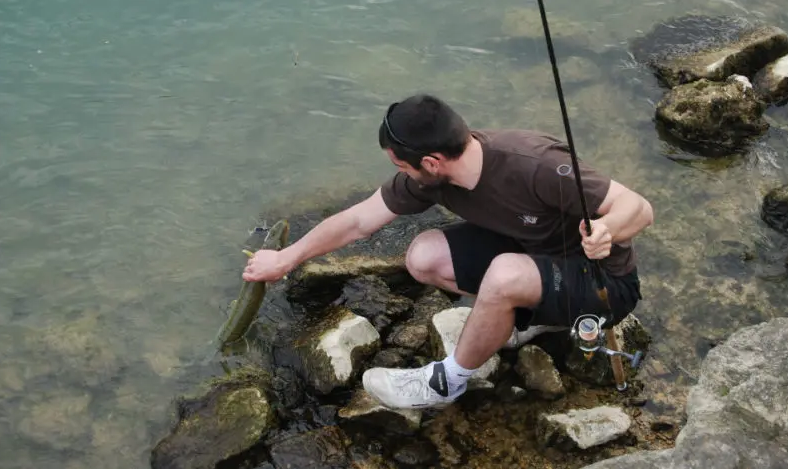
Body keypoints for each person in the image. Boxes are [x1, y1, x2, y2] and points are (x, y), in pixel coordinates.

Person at [243, 94, 653, 410]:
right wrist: (287, 257)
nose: (400, 176)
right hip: (536, 258)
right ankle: (530, 318)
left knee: (506, 274)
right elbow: (357, 221)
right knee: (423, 256)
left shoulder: (535, 164)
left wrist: (606, 230)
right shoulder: (431, 179)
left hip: (603, 286)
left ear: (432, 161)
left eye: (403, 167)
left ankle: (448, 381)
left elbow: (639, 208)